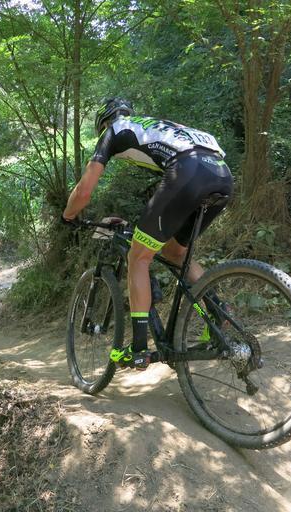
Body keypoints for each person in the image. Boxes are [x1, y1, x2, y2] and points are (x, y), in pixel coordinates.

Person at [62, 98, 233, 370]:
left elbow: (84, 191)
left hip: (187, 171)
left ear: (104, 122)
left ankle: (139, 349)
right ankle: (219, 311)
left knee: (138, 257)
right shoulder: (158, 127)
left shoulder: (115, 130)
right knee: (175, 252)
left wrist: (68, 215)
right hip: (221, 175)